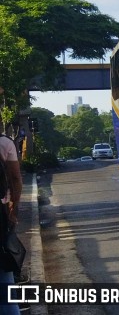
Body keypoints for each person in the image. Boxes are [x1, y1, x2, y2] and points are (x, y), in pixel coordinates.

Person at [0, 133, 22, 315]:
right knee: (4, 279)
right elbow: (15, 178)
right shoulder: (4, 142)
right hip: (1, 213)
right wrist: (14, 209)